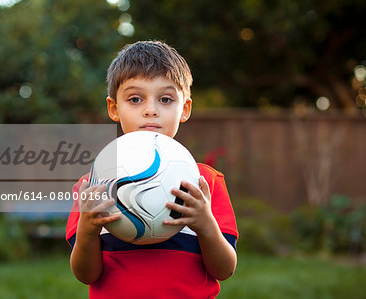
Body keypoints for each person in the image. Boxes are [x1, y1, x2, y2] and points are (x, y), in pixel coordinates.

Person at [66, 41, 238, 298]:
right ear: (114, 108)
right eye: (135, 99)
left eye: (166, 99)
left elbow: (224, 270)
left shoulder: (205, 183)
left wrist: (205, 225)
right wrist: (87, 232)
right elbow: (85, 275)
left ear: (185, 109)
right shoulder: (94, 186)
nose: (150, 110)